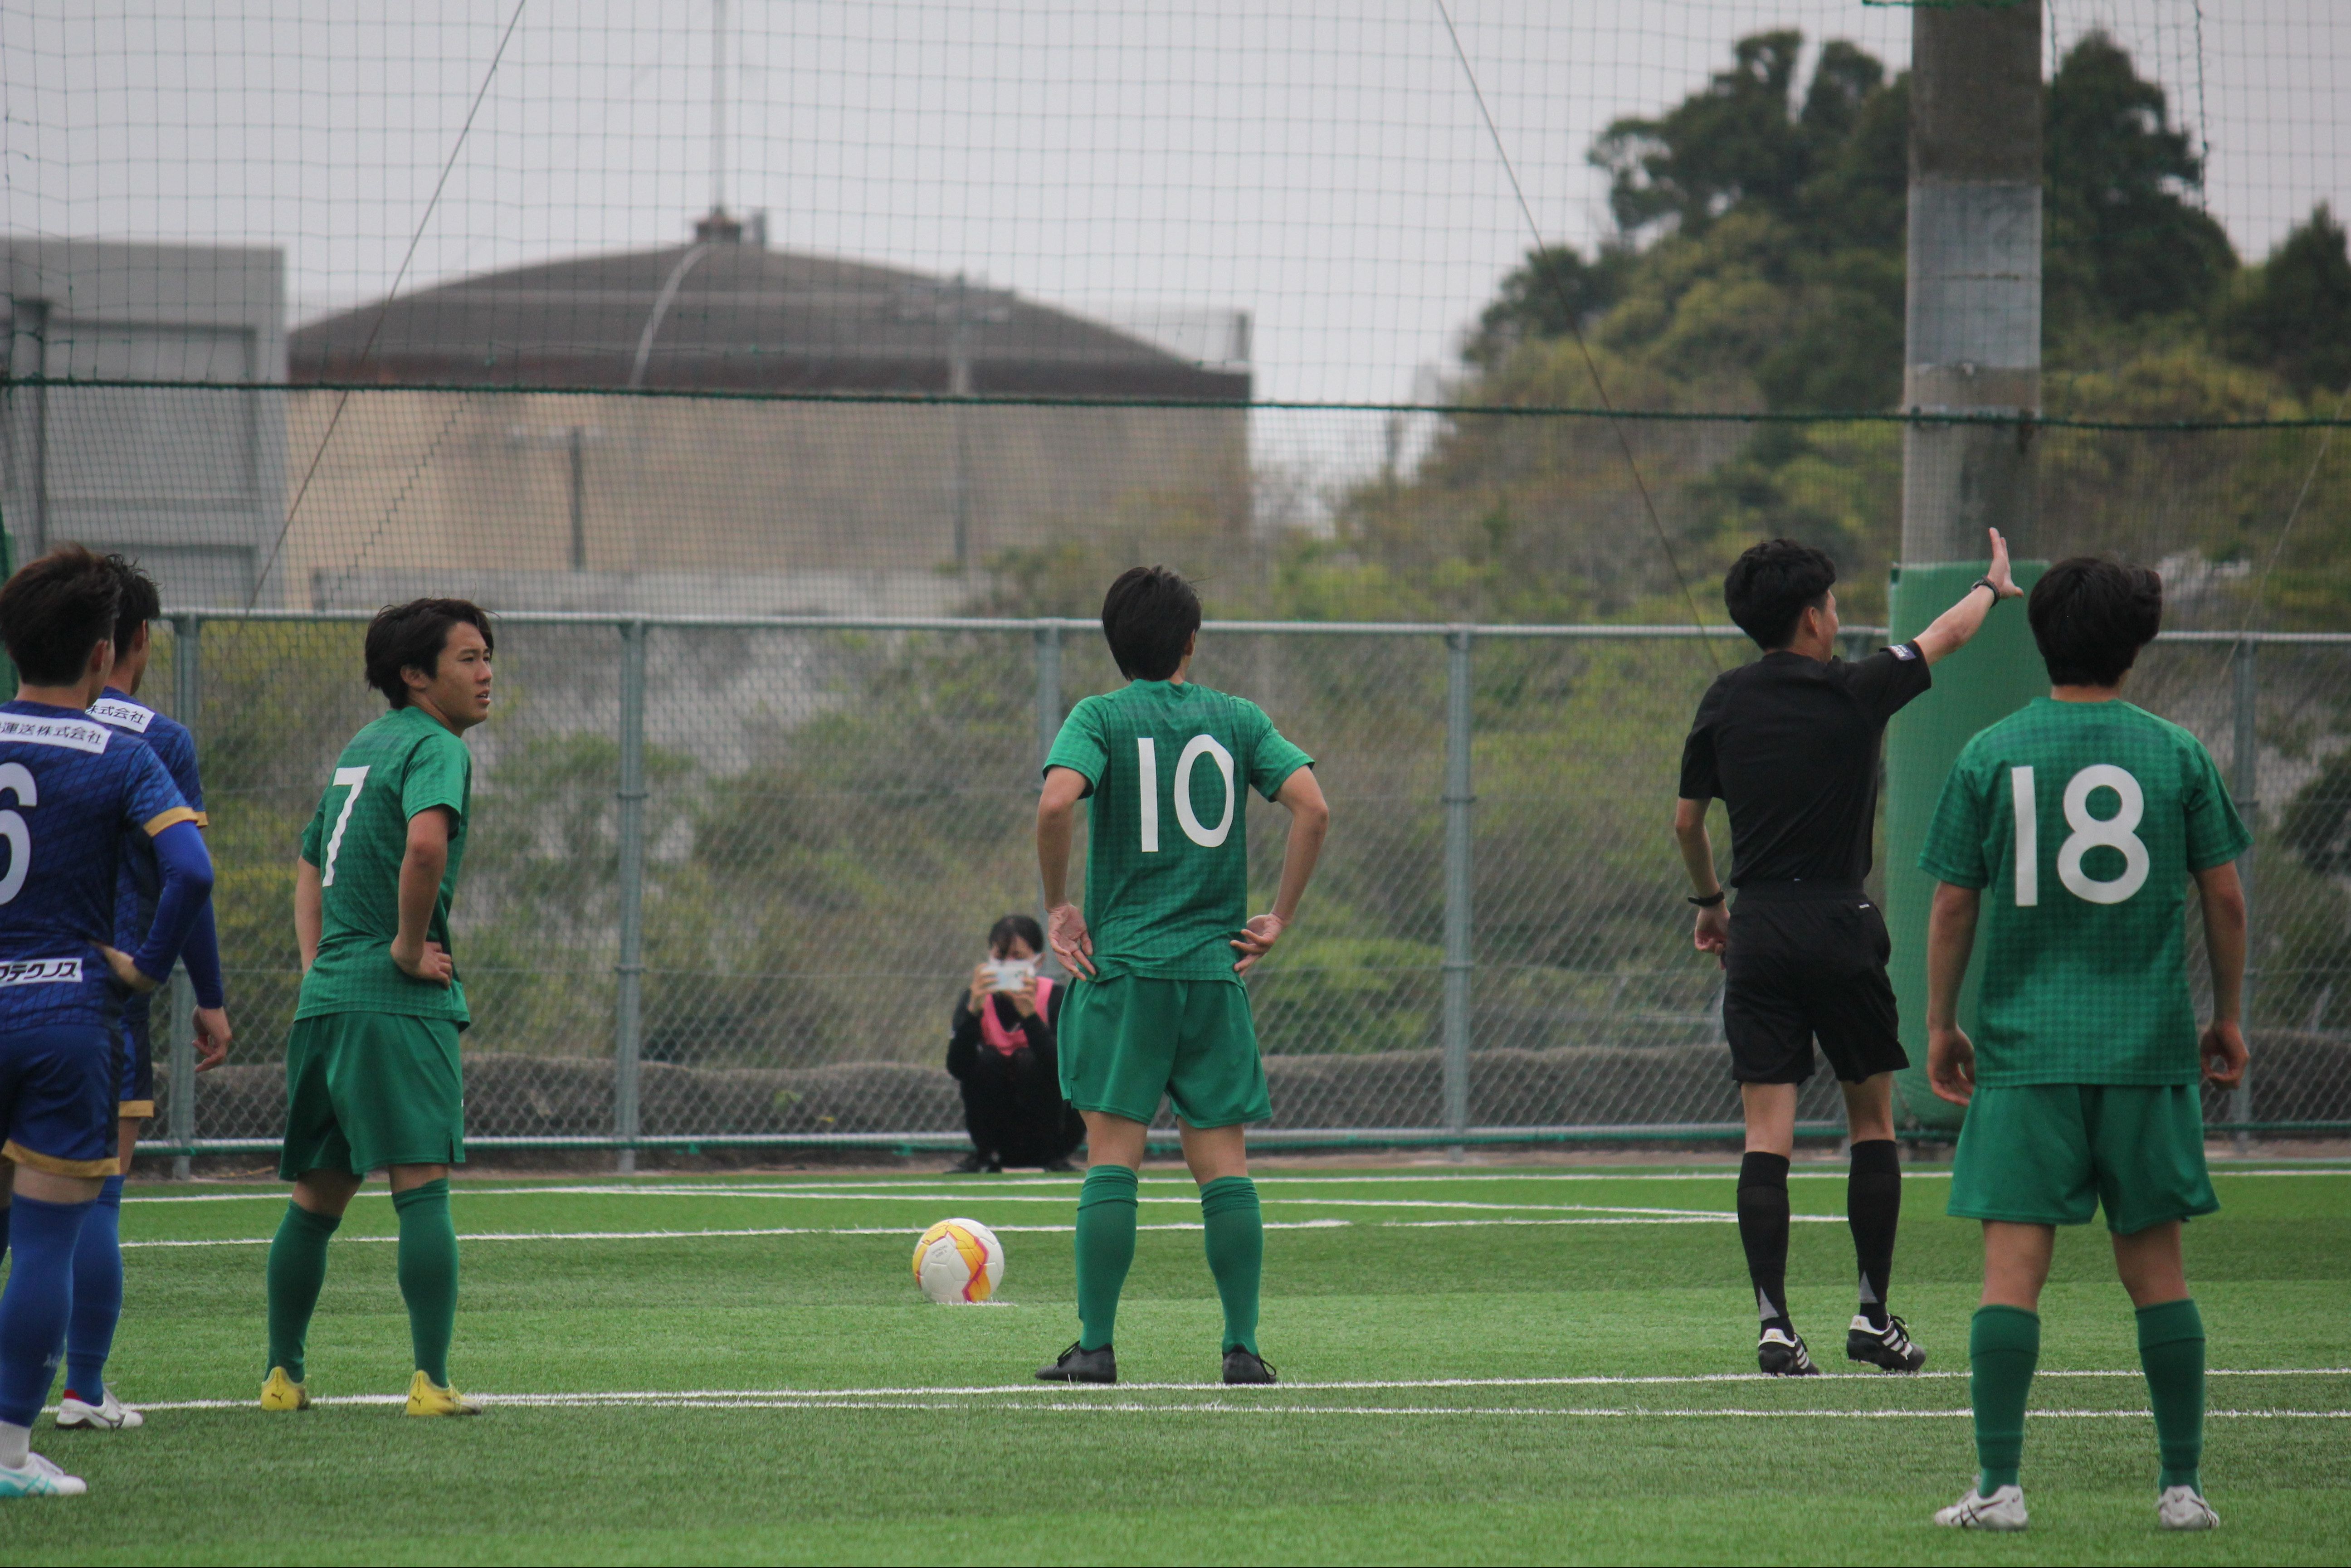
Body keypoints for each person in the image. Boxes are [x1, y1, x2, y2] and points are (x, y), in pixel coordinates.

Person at [1921, 558, 2246, 1533]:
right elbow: (2224, 897)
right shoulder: (2176, 752)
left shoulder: (1989, 752)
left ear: (2040, 637)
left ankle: (1999, 1487)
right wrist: (2227, 1013)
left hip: (2026, 1054)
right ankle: (2182, 1490)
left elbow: (1951, 903)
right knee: (2158, 1275)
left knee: (2010, 1276)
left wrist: (1940, 1023)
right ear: (2136, 643)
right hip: (2144, 1051)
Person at [1674, 530, 2021, 1376]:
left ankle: (1774, 1325)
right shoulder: (1858, 687)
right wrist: (1990, 583)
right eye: (1831, 604)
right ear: (1811, 617)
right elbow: (1947, 634)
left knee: (1767, 1134)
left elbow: (1686, 823)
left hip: (1759, 928)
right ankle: (1871, 1317)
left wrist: (1713, 905)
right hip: (1840, 921)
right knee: (1872, 1122)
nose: (1836, 616)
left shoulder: (1724, 698)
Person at [1032, 565, 1328, 1387]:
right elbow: (1313, 807)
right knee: (1224, 1167)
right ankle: (1242, 1349)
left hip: (1125, 971)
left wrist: (1058, 905)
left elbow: (1055, 804)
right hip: (1211, 973)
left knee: (1112, 1160)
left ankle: (1096, 1347)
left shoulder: (1099, 716)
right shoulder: (1238, 719)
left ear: (1113, 644)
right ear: (1191, 641)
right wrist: (1279, 915)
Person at [0, 545, 212, 1499]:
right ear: (102, 654)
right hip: (65, 1015)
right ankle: (10, 1452)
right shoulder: (124, 751)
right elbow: (191, 870)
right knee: (47, 1240)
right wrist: (149, 967)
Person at [260, 599, 493, 1419]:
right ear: (415, 675)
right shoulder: (436, 746)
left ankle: (281, 1376)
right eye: (467, 658)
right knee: (421, 1183)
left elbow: (307, 859)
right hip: (395, 1004)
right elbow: (425, 845)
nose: (486, 672)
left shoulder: (364, 745)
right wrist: (404, 947)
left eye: (486, 656)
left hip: (327, 1000)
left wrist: (317, 965)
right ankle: (430, 1382)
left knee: (317, 1197)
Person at [55, 556, 234, 1433]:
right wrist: (207, 991)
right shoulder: (154, 739)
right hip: (101, 995)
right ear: (133, 641)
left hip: (13, 982)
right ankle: (84, 1388)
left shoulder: (21, 726)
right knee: (95, 1193)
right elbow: (184, 877)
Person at [946, 914, 1083, 1173]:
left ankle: (1052, 1156)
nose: (1008, 965)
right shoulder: (975, 998)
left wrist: (1030, 1017)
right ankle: (987, 1154)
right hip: (1000, 1130)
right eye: (1000, 957)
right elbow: (958, 1067)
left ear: (1038, 962)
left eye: (1018, 958)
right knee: (987, 1060)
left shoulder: (1055, 997)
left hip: (1054, 1130)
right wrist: (972, 1014)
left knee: (1031, 1061)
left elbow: (1066, 1068)